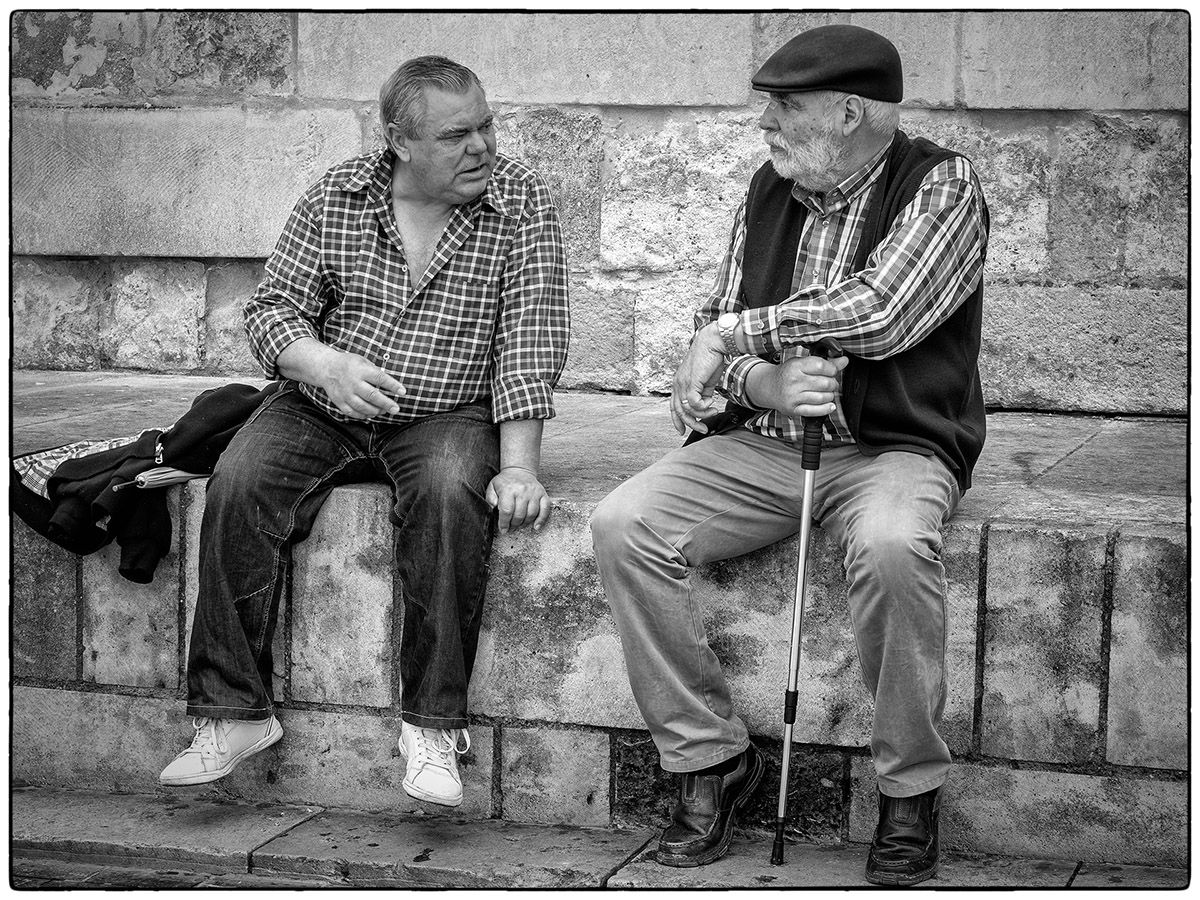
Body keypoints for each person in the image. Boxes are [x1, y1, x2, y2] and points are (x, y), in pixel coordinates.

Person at [590, 24, 987, 885]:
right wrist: (752, 383)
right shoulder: (769, 190)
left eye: (787, 105)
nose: (766, 122)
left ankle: (910, 789)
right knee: (626, 522)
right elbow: (722, 337)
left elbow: (882, 313)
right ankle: (710, 762)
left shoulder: (943, 185)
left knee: (890, 547)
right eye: (767, 103)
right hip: (769, 448)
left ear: (850, 112)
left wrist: (734, 337)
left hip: (894, 447)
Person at [159, 56, 570, 810]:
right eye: (456, 134)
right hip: (325, 401)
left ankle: (433, 726)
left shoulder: (521, 203)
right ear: (400, 142)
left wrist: (519, 466)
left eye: (486, 125)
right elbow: (272, 310)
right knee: (240, 480)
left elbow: (530, 340)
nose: (481, 146)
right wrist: (323, 364)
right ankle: (232, 715)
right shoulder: (338, 197)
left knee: (451, 494)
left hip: (448, 408)